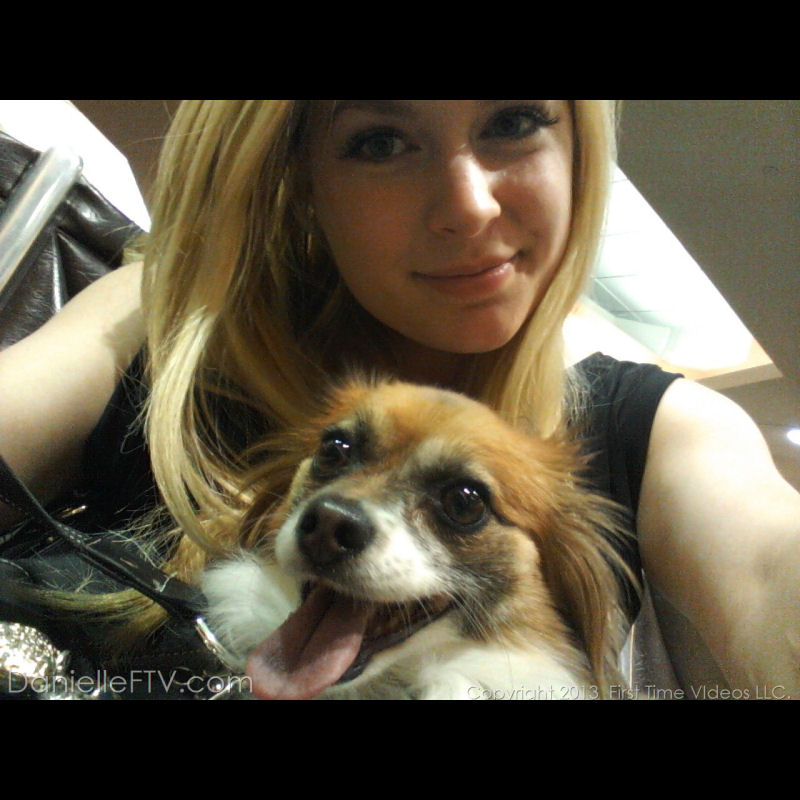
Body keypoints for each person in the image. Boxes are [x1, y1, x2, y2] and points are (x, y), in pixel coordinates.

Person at [0, 100, 797, 699]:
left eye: (514, 121)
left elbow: (770, 568)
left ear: (579, 149)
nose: (469, 206)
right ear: (302, 174)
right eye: (380, 141)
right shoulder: (164, 318)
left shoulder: (665, 431)